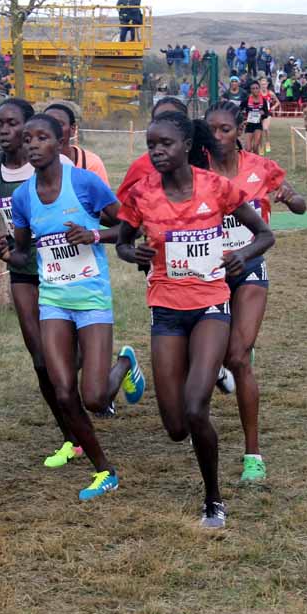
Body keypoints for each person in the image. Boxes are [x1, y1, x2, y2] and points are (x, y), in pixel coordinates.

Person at [116, 111, 275, 528]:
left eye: (165, 144)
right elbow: (122, 242)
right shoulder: (141, 193)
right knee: (174, 426)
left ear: (187, 145)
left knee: (195, 407)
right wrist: (133, 254)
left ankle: (214, 500)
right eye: (151, 145)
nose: (157, 152)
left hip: (210, 305)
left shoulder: (216, 187)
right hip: (166, 309)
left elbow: (265, 234)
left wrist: (242, 255)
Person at [0, 113, 146, 501]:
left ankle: (125, 363)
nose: (33, 145)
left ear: (61, 142)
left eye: (42, 138)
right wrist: (6, 252)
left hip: (91, 299)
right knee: (62, 392)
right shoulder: (24, 195)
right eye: (28, 139)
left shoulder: (84, 183)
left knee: (93, 398)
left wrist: (94, 233)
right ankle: (104, 471)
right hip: (54, 300)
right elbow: (24, 250)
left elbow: (129, 226)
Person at [0, 98, 84, 468]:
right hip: (22, 267)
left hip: (61, 265)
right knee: (40, 360)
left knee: (70, 359)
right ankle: (71, 439)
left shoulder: (58, 165)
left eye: (11, 123)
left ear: (30, 126)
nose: (4, 131)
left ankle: (112, 371)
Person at [204, 100, 305, 483]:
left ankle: (253, 454)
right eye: (211, 130)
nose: (218, 137)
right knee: (210, 357)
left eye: (225, 130)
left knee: (239, 357)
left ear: (240, 131)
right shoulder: (198, 173)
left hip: (248, 268)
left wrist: (290, 198)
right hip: (207, 273)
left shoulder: (260, 169)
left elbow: (299, 205)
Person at [43, 103, 110, 184]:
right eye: (47, 124)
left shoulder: (90, 163)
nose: (52, 129)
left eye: (59, 124)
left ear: (72, 129)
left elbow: (101, 196)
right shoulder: (33, 161)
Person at [239, 81, 270, 154]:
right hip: (249, 125)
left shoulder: (263, 100)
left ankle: (256, 162)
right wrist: (243, 119)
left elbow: (267, 113)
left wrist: (263, 114)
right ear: (250, 90)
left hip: (258, 125)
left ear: (259, 89)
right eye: (253, 88)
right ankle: (248, 162)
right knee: (248, 149)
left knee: (255, 146)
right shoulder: (247, 100)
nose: (255, 90)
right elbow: (239, 110)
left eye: (256, 88)